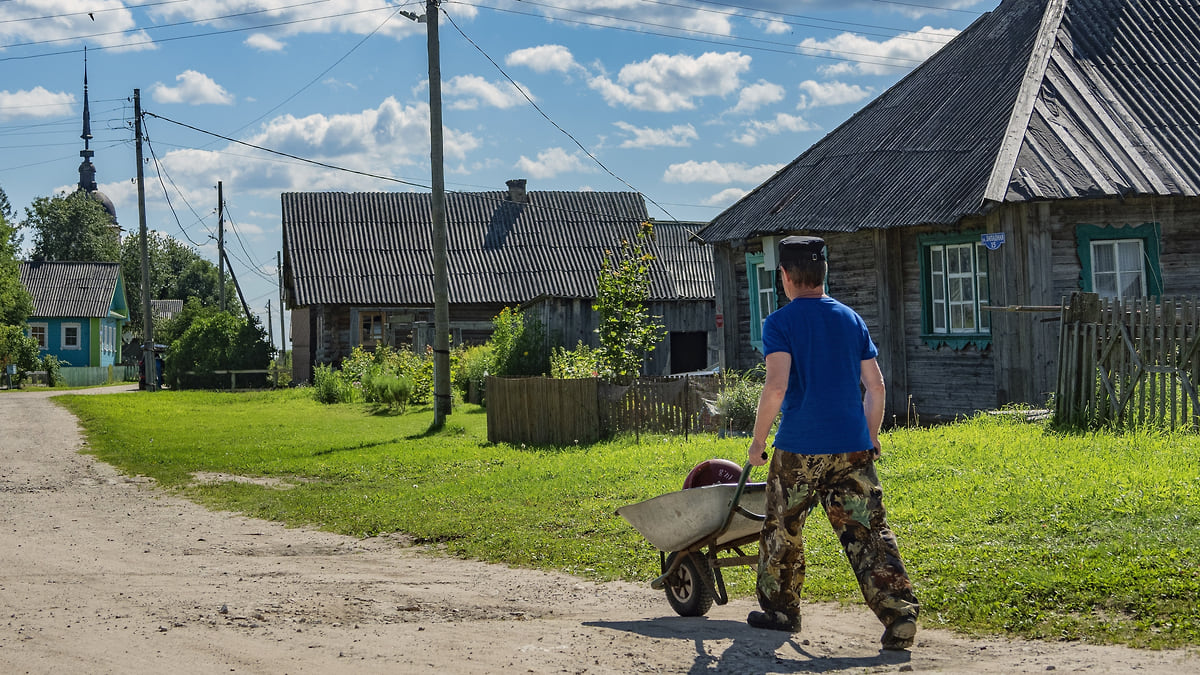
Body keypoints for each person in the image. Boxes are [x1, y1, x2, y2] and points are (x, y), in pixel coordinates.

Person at [745, 235, 920, 651]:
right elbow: (875, 386)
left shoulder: (780, 323)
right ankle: (899, 616)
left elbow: (776, 387)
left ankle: (782, 610)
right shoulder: (850, 320)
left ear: (785, 277)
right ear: (824, 272)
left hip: (799, 449)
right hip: (851, 446)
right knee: (868, 531)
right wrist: (871, 436)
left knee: (783, 529)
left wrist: (757, 443)